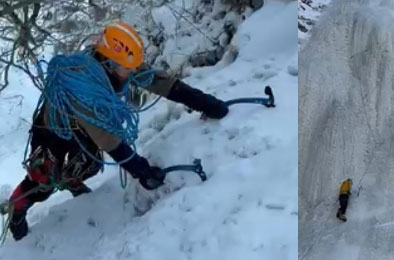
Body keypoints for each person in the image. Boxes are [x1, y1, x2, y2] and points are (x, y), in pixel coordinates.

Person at [7, 21, 229, 241]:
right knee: (43, 180)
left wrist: (205, 103)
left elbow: (159, 82)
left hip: (81, 129)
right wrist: (141, 170)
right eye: (127, 68)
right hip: (52, 129)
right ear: (108, 63)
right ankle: (17, 208)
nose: (132, 72)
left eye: (132, 67)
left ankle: (71, 179)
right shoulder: (83, 87)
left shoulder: (119, 62)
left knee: (90, 166)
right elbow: (107, 139)